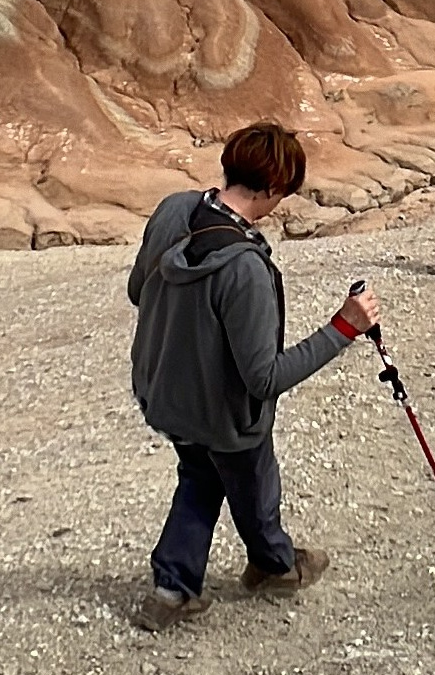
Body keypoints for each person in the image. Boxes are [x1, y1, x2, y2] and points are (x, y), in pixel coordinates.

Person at [127, 120, 380, 630]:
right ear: (271, 188)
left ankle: (172, 590)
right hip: (225, 415)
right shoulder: (246, 268)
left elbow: (140, 291)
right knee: (254, 486)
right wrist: (342, 328)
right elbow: (263, 378)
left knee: (200, 476)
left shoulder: (174, 209)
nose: (281, 202)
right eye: (282, 192)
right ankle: (273, 566)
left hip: (164, 392)